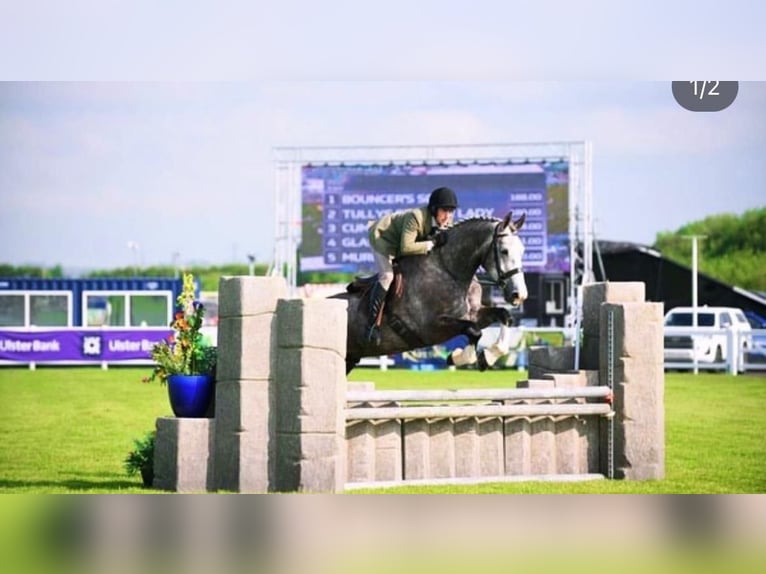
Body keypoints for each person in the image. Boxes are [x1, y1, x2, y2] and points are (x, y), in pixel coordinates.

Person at [365, 186, 459, 344]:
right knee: (387, 276)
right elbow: (406, 248)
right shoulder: (416, 217)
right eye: (444, 211)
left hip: (402, 243)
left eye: (451, 211)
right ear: (435, 209)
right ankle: (372, 325)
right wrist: (432, 242)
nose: (448, 216)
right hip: (383, 238)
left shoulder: (447, 223)